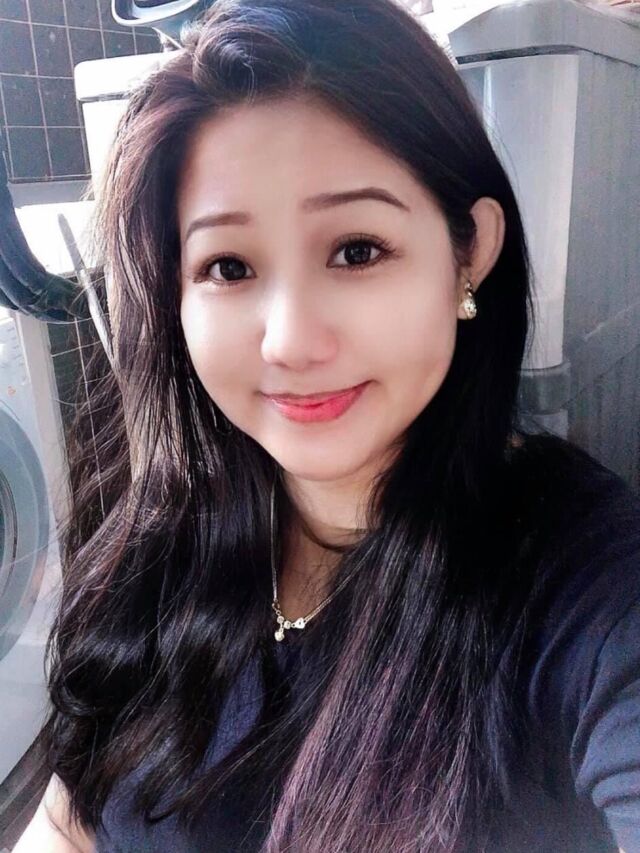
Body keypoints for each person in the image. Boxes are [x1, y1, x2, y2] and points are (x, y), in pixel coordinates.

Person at [13, 0, 639, 850]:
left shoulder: (587, 589)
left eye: (356, 250)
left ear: (469, 251)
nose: (290, 341)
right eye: (228, 266)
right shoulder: (161, 531)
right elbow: (69, 817)